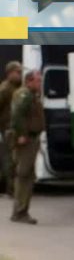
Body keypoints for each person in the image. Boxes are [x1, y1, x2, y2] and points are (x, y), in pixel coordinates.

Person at [9, 70, 44, 225]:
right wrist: (22, 134)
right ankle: (20, 212)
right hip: (27, 140)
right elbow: (17, 114)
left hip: (30, 138)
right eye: (38, 81)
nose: (40, 84)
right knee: (24, 175)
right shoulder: (25, 95)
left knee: (26, 174)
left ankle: (20, 211)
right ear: (29, 81)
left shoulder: (30, 94)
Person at [0, 61, 23, 197]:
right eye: (18, 72)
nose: (20, 75)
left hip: (16, 127)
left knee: (16, 159)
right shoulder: (5, 89)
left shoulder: (18, 87)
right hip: (8, 128)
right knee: (10, 159)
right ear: (10, 73)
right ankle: (11, 188)